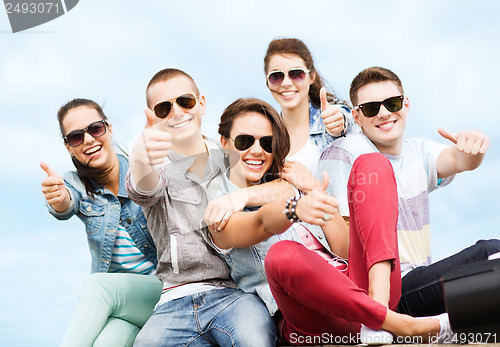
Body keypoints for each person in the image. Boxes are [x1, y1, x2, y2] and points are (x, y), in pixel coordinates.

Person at [204, 98, 453, 345]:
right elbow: (262, 223)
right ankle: (397, 323)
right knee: (281, 255)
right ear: (225, 143)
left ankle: (377, 309)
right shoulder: (217, 207)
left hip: (360, 288)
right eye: (244, 141)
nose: (257, 150)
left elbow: (344, 249)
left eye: (267, 143)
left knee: (373, 163)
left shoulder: (292, 184)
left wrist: (313, 189)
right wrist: (287, 206)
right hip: (310, 317)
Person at [126, 68, 294, 347]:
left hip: (233, 294)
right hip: (174, 301)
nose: (177, 112)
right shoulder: (154, 165)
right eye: (164, 108)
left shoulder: (233, 154)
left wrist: (240, 198)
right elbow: (142, 187)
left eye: (185, 101)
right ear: (153, 116)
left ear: (201, 103)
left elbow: (285, 187)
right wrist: (140, 158)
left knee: (255, 339)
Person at [318, 66, 500, 321]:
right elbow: (342, 247)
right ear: (356, 117)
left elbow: (461, 160)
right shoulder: (345, 152)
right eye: (371, 108)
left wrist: (475, 147)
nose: (383, 113)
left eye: (392, 103)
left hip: (420, 283)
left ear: (406, 105)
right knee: (491, 255)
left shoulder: (418, 151)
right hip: (383, 292)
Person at [40, 98, 162, 347]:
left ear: (109, 129)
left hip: (161, 293)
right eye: (75, 137)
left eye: (95, 129)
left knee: (97, 286)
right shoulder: (74, 184)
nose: (88, 140)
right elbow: (65, 204)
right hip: (123, 306)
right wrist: (59, 198)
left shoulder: (139, 170)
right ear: (68, 147)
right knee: (107, 342)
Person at [263, 37, 358, 192]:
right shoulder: (264, 134)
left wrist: (340, 123)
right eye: (276, 76)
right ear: (267, 81)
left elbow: (345, 120)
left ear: (311, 76)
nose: (286, 83)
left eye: (296, 74)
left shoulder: (328, 120)